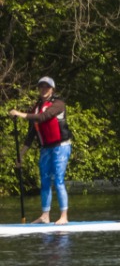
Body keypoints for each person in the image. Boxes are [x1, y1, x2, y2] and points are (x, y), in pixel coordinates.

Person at [10, 76, 72, 225]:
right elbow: (31, 134)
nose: (44, 89)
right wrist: (21, 155)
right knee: (44, 181)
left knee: (58, 180)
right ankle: (45, 215)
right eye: (41, 87)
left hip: (61, 146)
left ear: (52, 89)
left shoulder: (58, 104)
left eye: (47, 87)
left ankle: (64, 216)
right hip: (46, 148)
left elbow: (44, 117)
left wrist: (20, 114)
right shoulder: (36, 107)